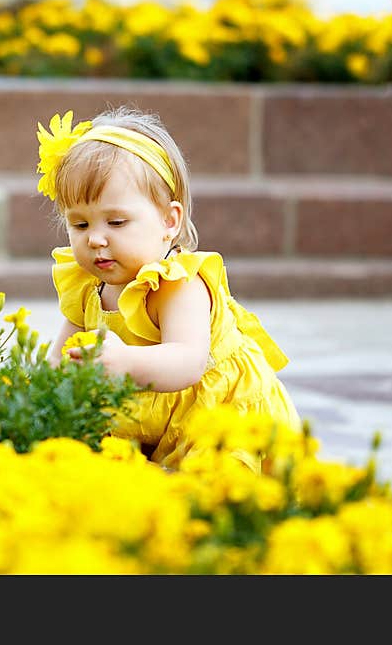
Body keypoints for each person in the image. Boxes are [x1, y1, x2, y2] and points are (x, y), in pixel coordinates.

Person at [40, 105, 300, 472]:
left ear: (169, 220)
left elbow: (187, 362)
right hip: (158, 415)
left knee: (209, 491)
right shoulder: (87, 287)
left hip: (215, 413)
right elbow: (59, 357)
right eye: (79, 225)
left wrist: (126, 363)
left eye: (116, 221)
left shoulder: (177, 284)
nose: (96, 239)